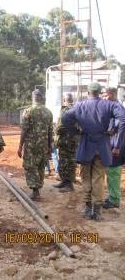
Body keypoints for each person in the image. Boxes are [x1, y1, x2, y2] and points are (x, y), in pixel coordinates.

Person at [62, 83, 125, 220]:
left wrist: (75, 133)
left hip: (86, 144)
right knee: (98, 178)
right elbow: (123, 118)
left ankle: (86, 207)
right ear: (99, 92)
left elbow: (65, 118)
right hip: (102, 145)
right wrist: (114, 132)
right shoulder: (109, 105)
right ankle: (96, 211)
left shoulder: (80, 105)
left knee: (86, 177)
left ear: (88, 92)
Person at [17, 89, 53, 200]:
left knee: (30, 166)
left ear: (32, 98)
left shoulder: (28, 111)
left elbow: (24, 130)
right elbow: (50, 131)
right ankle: (38, 188)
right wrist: (50, 146)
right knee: (41, 166)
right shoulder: (48, 112)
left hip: (31, 146)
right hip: (43, 145)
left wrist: (20, 146)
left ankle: (35, 191)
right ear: (41, 98)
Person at [102, 87, 125, 209]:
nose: (104, 98)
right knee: (111, 171)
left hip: (117, 145)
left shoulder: (118, 107)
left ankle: (114, 200)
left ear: (111, 94)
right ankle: (112, 196)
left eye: (105, 95)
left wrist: (117, 146)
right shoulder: (112, 106)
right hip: (113, 142)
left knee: (114, 172)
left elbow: (122, 124)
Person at [54, 93, 78, 192]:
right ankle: (64, 181)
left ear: (64, 99)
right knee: (64, 162)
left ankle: (69, 184)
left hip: (67, 141)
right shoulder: (75, 109)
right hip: (68, 141)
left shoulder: (67, 110)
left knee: (68, 162)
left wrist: (56, 129)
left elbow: (63, 126)